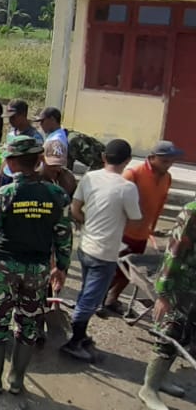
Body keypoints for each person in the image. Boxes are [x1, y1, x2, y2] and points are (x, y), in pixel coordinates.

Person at [0, 136, 73, 394]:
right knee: (28, 324)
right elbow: (64, 236)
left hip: (4, 268)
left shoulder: (4, 194)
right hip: (37, 270)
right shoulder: (57, 195)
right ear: (40, 159)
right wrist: (61, 268)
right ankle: (16, 381)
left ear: (12, 163)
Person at [61, 139, 143, 362]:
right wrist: (117, 223)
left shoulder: (89, 177)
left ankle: (81, 333)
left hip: (85, 247)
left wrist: (90, 223)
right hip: (105, 253)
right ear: (127, 161)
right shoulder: (127, 188)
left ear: (104, 157)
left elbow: (75, 209)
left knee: (86, 292)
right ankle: (74, 342)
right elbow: (136, 223)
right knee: (91, 300)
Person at [104, 141, 183, 314]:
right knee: (113, 269)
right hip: (122, 233)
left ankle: (112, 299)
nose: (169, 165)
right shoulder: (133, 174)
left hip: (142, 234)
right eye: (165, 161)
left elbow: (160, 204)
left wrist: (151, 228)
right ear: (152, 158)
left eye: (171, 161)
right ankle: (98, 300)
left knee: (131, 272)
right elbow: (115, 202)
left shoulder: (166, 178)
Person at [137, 200, 196, 410]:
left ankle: (161, 379)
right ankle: (149, 388)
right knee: (169, 333)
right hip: (180, 285)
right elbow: (174, 251)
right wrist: (163, 293)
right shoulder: (192, 211)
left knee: (182, 335)